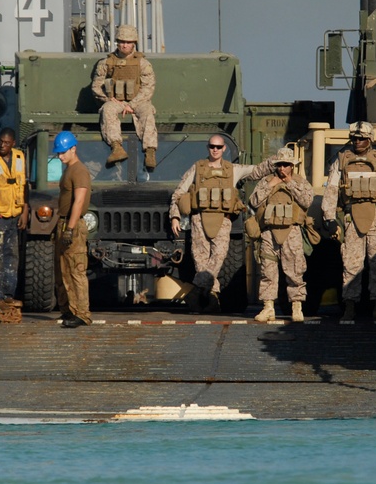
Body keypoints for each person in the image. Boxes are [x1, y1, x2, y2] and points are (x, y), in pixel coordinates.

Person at [169, 135, 275, 313]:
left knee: (218, 258)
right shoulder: (197, 168)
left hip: (223, 220)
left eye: (218, 147)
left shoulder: (233, 169)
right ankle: (212, 297)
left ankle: (195, 292)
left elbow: (257, 171)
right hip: (199, 220)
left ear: (224, 148)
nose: (215, 150)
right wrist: (175, 216)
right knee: (201, 261)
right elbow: (179, 193)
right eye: (212, 146)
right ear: (208, 147)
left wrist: (276, 161)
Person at [321, 121, 376, 321]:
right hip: (351, 218)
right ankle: (349, 307)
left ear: (370, 140)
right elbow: (331, 191)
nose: (357, 142)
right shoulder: (341, 161)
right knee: (351, 264)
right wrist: (329, 218)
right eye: (355, 138)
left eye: (362, 139)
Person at [247, 147, 314, 323]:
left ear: (292, 166)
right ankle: (268, 307)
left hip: (292, 231)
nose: (282, 168)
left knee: (295, 270)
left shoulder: (300, 182)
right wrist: (271, 184)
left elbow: (307, 200)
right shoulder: (267, 181)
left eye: (286, 165)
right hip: (269, 232)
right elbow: (253, 201)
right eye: (279, 165)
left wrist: (290, 183)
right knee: (267, 270)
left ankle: (296, 306)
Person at [91, 24, 158, 169]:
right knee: (107, 110)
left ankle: (150, 151)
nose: (125, 45)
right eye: (122, 41)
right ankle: (117, 147)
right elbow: (96, 86)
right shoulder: (106, 63)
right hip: (116, 101)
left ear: (134, 43)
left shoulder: (143, 64)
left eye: (128, 42)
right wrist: (108, 99)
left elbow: (148, 88)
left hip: (138, 101)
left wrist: (132, 105)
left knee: (147, 112)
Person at [0, 128, 29, 313]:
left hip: (14, 216)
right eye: (0, 141)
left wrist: (25, 210)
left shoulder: (19, 157)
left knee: (12, 257)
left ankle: (9, 296)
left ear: (13, 144)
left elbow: (24, 185)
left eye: (6, 143)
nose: (2, 145)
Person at [52, 132, 92, 328]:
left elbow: (79, 202)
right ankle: (68, 310)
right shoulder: (68, 170)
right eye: (58, 153)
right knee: (62, 271)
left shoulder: (79, 171)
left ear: (73, 149)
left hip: (72, 224)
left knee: (76, 270)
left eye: (62, 153)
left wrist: (70, 228)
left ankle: (82, 313)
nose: (60, 157)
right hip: (64, 223)